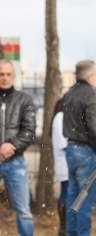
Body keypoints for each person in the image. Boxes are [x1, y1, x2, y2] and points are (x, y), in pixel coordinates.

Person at [63, 60, 96, 236]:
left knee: (73, 197)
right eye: (95, 75)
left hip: (72, 148)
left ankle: (72, 233)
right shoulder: (90, 94)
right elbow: (95, 127)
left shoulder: (69, 93)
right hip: (87, 151)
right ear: (90, 76)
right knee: (85, 201)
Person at [0, 59, 35, 236]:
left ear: (14, 76)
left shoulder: (24, 100)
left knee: (24, 213)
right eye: (1, 74)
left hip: (16, 163)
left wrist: (10, 145)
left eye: (8, 74)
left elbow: (29, 131)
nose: (4, 78)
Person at [51, 98, 68, 236]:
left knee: (66, 194)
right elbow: (64, 142)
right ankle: (63, 228)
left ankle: (65, 227)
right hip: (65, 164)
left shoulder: (60, 117)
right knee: (65, 194)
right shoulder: (61, 117)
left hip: (66, 164)